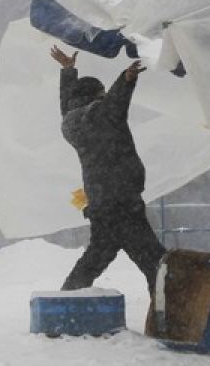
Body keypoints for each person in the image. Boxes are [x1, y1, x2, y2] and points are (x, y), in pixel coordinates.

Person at [51, 44, 167, 292]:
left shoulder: (70, 122)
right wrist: (126, 80)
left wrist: (68, 72)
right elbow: (115, 103)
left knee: (97, 256)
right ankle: (169, 307)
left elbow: (67, 105)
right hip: (122, 200)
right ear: (97, 95)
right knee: (154, 261)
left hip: (100, 201)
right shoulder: (102, 114)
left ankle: (67, 300)